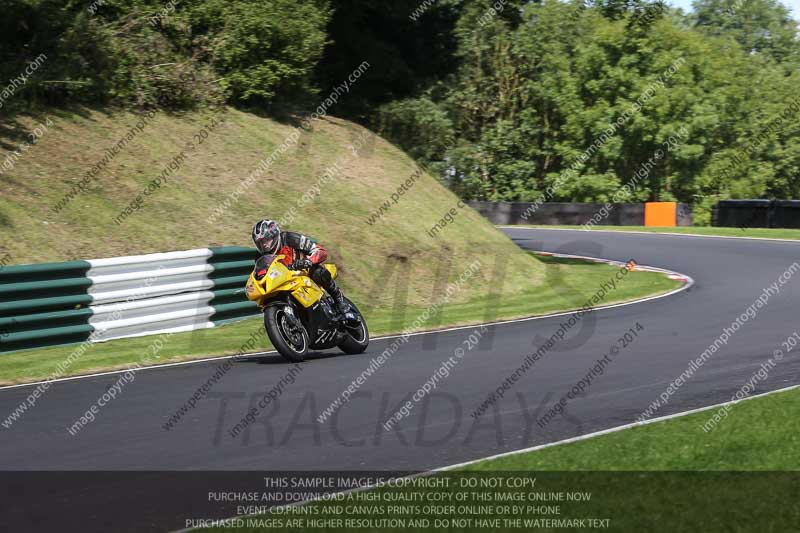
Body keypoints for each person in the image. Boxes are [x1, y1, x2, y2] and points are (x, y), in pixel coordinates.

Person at [251, 219, 351, 316]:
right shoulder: (259, 256)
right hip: (283, 280)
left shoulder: (289, 238)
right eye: (260, 243)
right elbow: (261, 272)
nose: (264, 245)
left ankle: (338, 298)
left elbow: (319, 251)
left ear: (274, 235)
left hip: (303, 271)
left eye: (266, 240)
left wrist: (308, 261)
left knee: (317, 272)